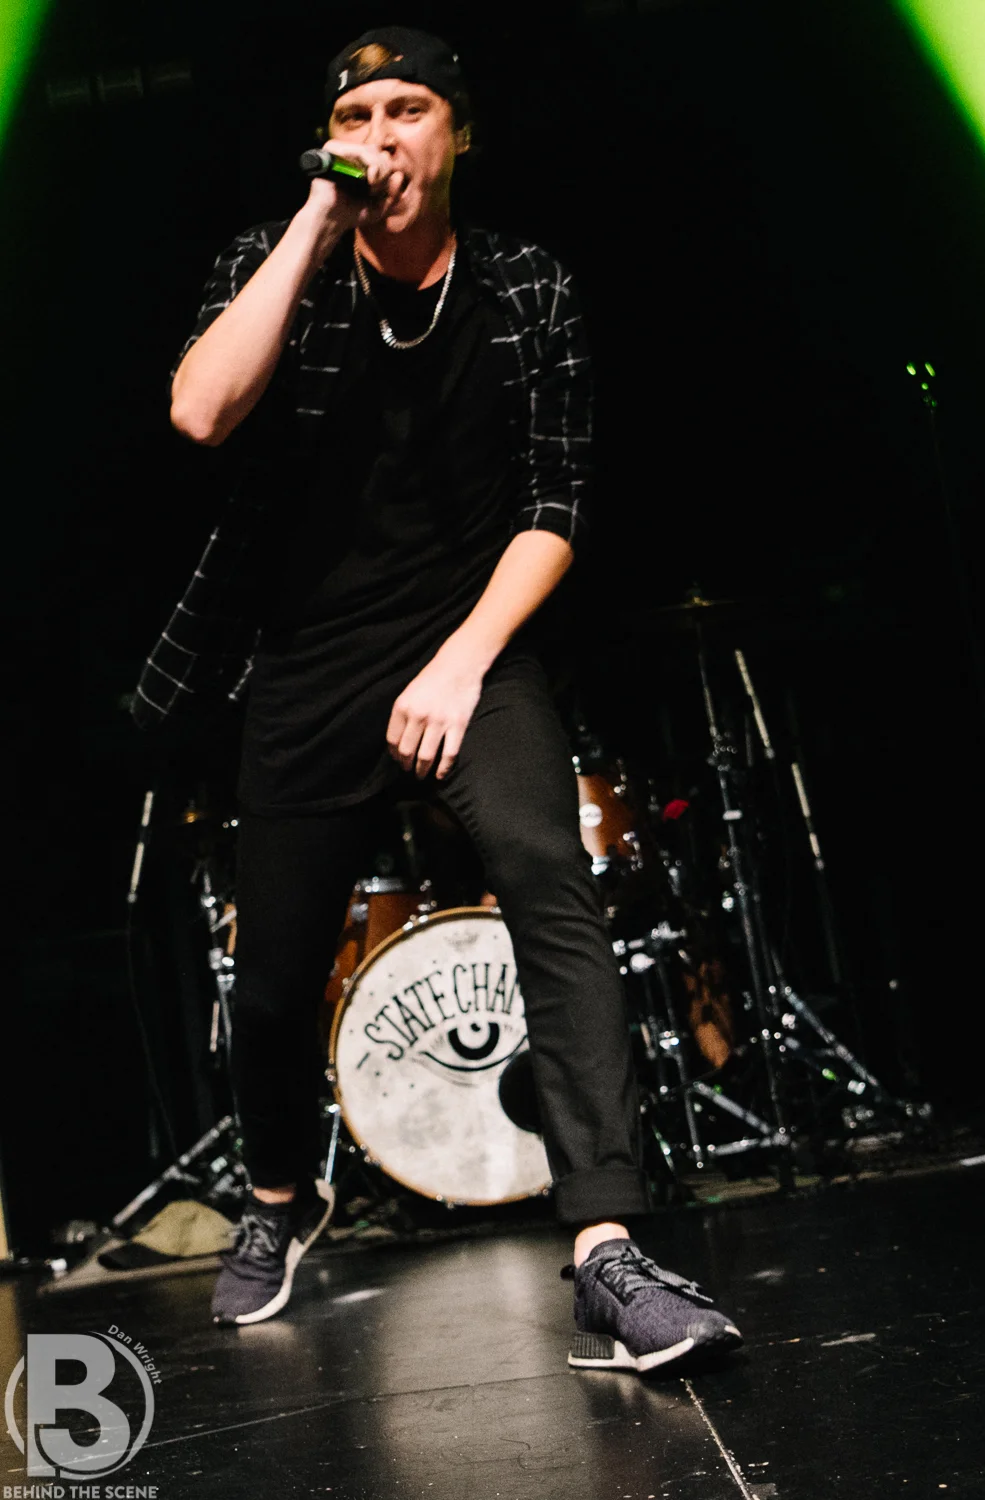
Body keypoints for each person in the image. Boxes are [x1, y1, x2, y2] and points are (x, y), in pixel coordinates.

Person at [134, 25, 742, 1373]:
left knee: (548, 873)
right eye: (356, 114)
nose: (380, 136)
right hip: (304, 661)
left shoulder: (526, 288)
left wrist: (464, 659)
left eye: (407, 109)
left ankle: (606, 1246)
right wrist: (314, 222)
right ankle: (280, 1194)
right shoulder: (273, 261)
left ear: (459, 133)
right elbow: (199, 413)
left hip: (471, 645)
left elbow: (557, 507)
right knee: (274, 981)